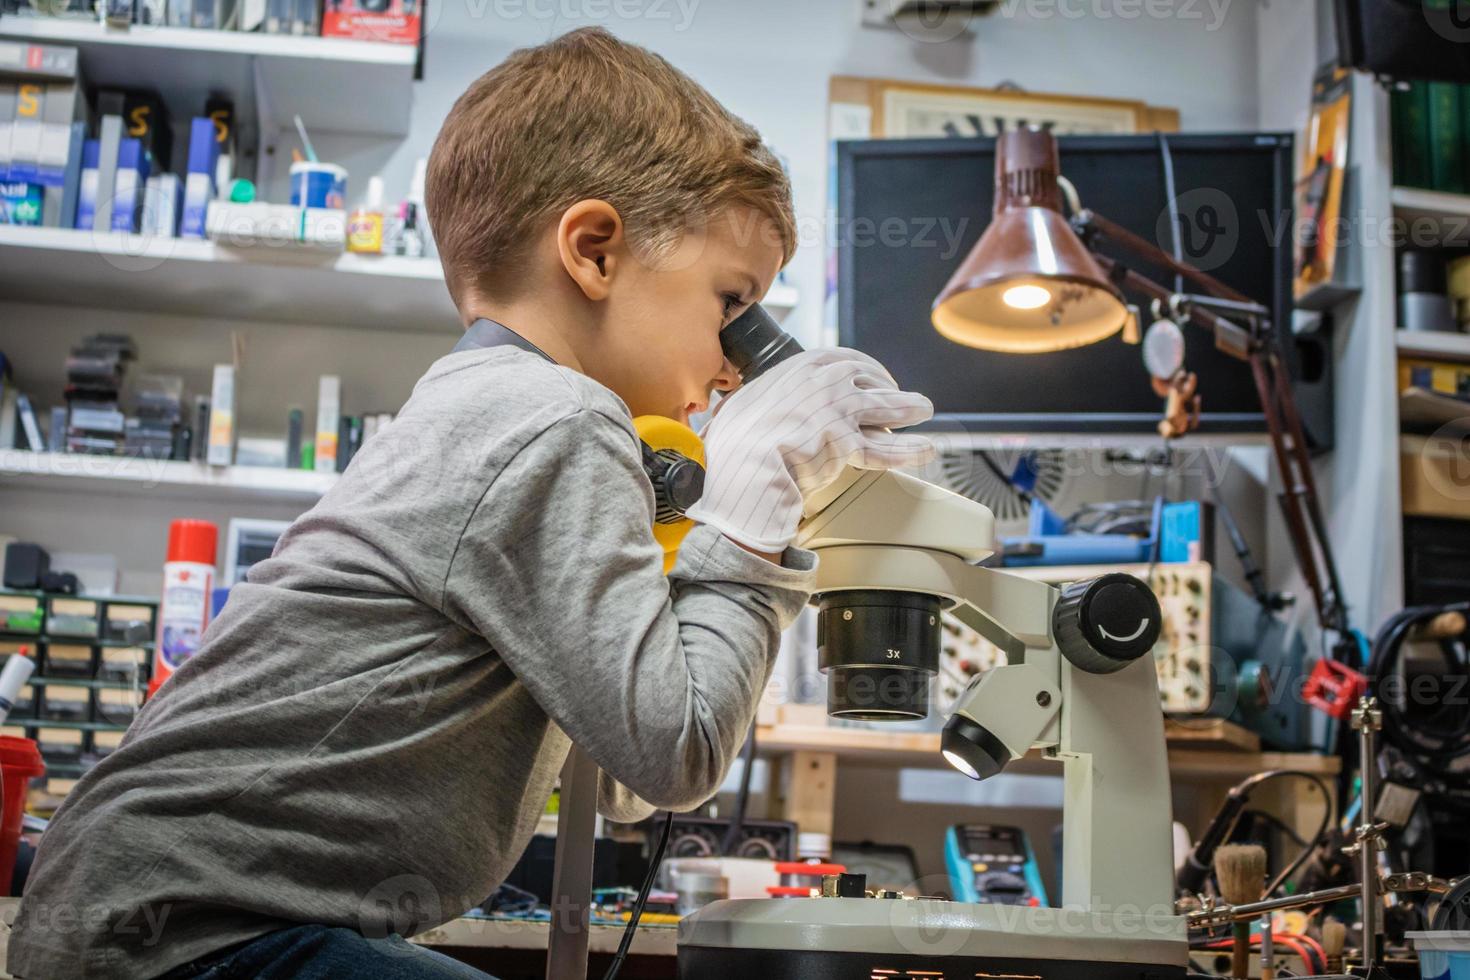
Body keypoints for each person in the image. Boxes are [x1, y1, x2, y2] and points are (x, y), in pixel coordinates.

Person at [6, 27, 933, 980]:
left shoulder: (490, 409)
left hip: (138, 911)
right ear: (596, 251)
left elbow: (618, 779)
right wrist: (749, 508)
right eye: (730, 302)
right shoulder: (551, 419)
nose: (739, 361)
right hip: (180, 936)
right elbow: (674, 752)